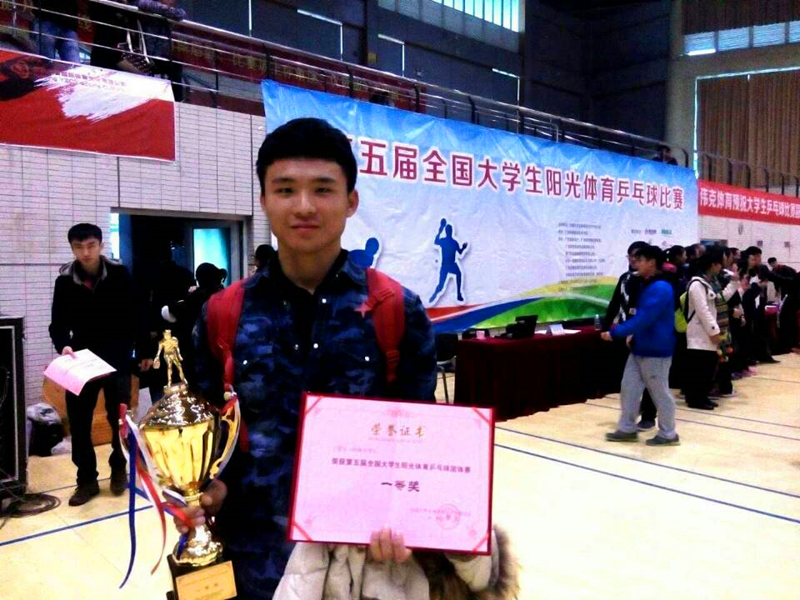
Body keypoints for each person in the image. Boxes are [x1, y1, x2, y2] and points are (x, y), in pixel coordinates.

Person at [185, 118, 438, 599]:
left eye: (323, 189)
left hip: (362, 566)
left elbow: (421, 441)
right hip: (256, 564)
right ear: (264, 200)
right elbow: (210, 437)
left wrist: (410, 520)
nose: (304, 206)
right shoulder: (222, 314)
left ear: (351, 201)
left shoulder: (396, 310)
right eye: (285, 189)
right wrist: (207, 488)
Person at [49, 223, 144, 506]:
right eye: (78, 247)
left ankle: (119, 468)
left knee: (119, 420)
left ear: (101, 245)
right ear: (72, 248)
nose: (85, 253)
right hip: (81, 361)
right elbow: (57, 324)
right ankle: (86, 480)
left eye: (91, 246)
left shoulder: (119, 275)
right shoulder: (64, 281)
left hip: (116, 358)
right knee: (79, 423)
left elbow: (137, 314)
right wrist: (63, 345)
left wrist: (144, 350)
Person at [601, 245, 679, 445]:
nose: (635, 264)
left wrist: (616, 332)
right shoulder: (645, 284)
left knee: (659, 392)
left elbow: (644, 318)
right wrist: (631, 334)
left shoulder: (661, 288)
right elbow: (637, 314)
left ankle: (668, 434)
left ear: (651, 262)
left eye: (640, 260)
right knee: (629, 388)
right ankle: (627, 428)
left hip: (656, 349)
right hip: (639, 347)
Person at [604, 240, 657, 430]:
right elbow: (615, 302)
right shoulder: (626, 278)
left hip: (646, 335)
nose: (633, 260)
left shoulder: (651, 281)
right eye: (631, 256)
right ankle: (629, 418)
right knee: (629, 380)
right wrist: (606, 326)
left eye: (637, 257)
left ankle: (649, 415)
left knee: (651, 379)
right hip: (624, 331)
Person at [161, 262, 226, 386]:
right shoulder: (226, 296)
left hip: (196, 356)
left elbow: (168, 312)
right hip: (222, 352)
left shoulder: (195, 297)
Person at [684, 248, 730, 410]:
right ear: (712, 265)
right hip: (699, 333)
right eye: (719, 264)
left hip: (707, 333)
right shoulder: (697, 284)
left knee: (708, 367)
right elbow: (702, 310)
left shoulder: (709, 283)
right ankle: (695, 399)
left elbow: (718, 302)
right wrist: (714, 331)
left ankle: (702, 396)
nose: (721, 268)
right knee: (699, 368)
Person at [429, 219, 468, 304]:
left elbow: (460, 253)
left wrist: (463, 248)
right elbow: (436, 242)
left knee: (459, 274)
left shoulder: (454, 242)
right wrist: (441, 228)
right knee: (441, 286)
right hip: (445, 265)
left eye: (450, 231)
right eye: (448, 231)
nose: (449, 232)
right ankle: (435, 294)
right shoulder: (444, 241)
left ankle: (459, 294)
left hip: (452, 264)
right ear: (447, 232)